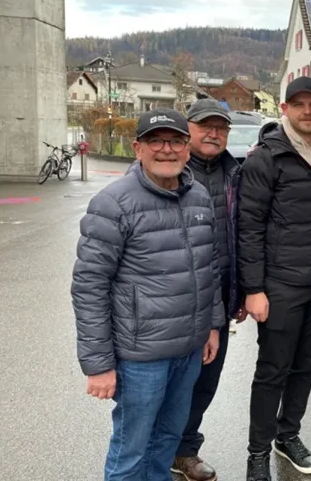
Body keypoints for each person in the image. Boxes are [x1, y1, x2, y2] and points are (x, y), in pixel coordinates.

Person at [71, 109, 225, 481]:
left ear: (187, 149)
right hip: (140, 358)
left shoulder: (199, 197)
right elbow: (89, 285)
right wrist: (98, 364)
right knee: (131, 450)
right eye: (156, 140)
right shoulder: (114, 204)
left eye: (175, 141)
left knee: (167, 441)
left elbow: (208, 268)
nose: (166, 150)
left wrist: (213, 325)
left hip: (187, 351)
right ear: (138, 148)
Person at [238, 76, 311, 481]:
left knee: (306, 368)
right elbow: (248, 226)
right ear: (284, 109)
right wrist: (254, 289)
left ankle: (288, 437)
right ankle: (257, 452)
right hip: (281, 286)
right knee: (272, 370)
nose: (307, 111)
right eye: (298, 104)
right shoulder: (266, 158)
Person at [172, 99, 245, 481]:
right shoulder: (169, 171)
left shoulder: (237, 174)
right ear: (189, 128)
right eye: (206, 126)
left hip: (219, 300)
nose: (214, 133)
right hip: (176, 303)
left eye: (221, 128)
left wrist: (243, 290)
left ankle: (184, 451)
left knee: (205, 382)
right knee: (169, 384)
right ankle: (155, 451)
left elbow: (246, 235)